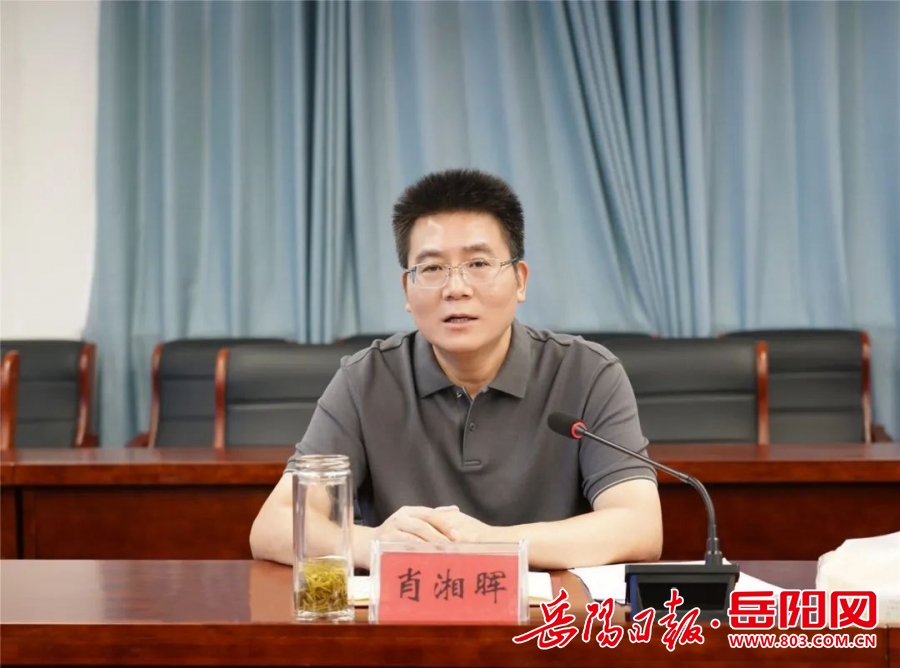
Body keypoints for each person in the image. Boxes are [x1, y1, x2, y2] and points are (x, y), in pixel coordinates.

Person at [250, 168, 662, 570]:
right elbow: (274, 526)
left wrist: (488, 543)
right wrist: (376, 544)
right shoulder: (366, 380)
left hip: (547, 614)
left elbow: (639, 526)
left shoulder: (586, 373)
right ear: (407, 289)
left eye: (479, 264)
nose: (456, 288)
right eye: (432, 268)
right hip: (410, 608)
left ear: (520, 280)